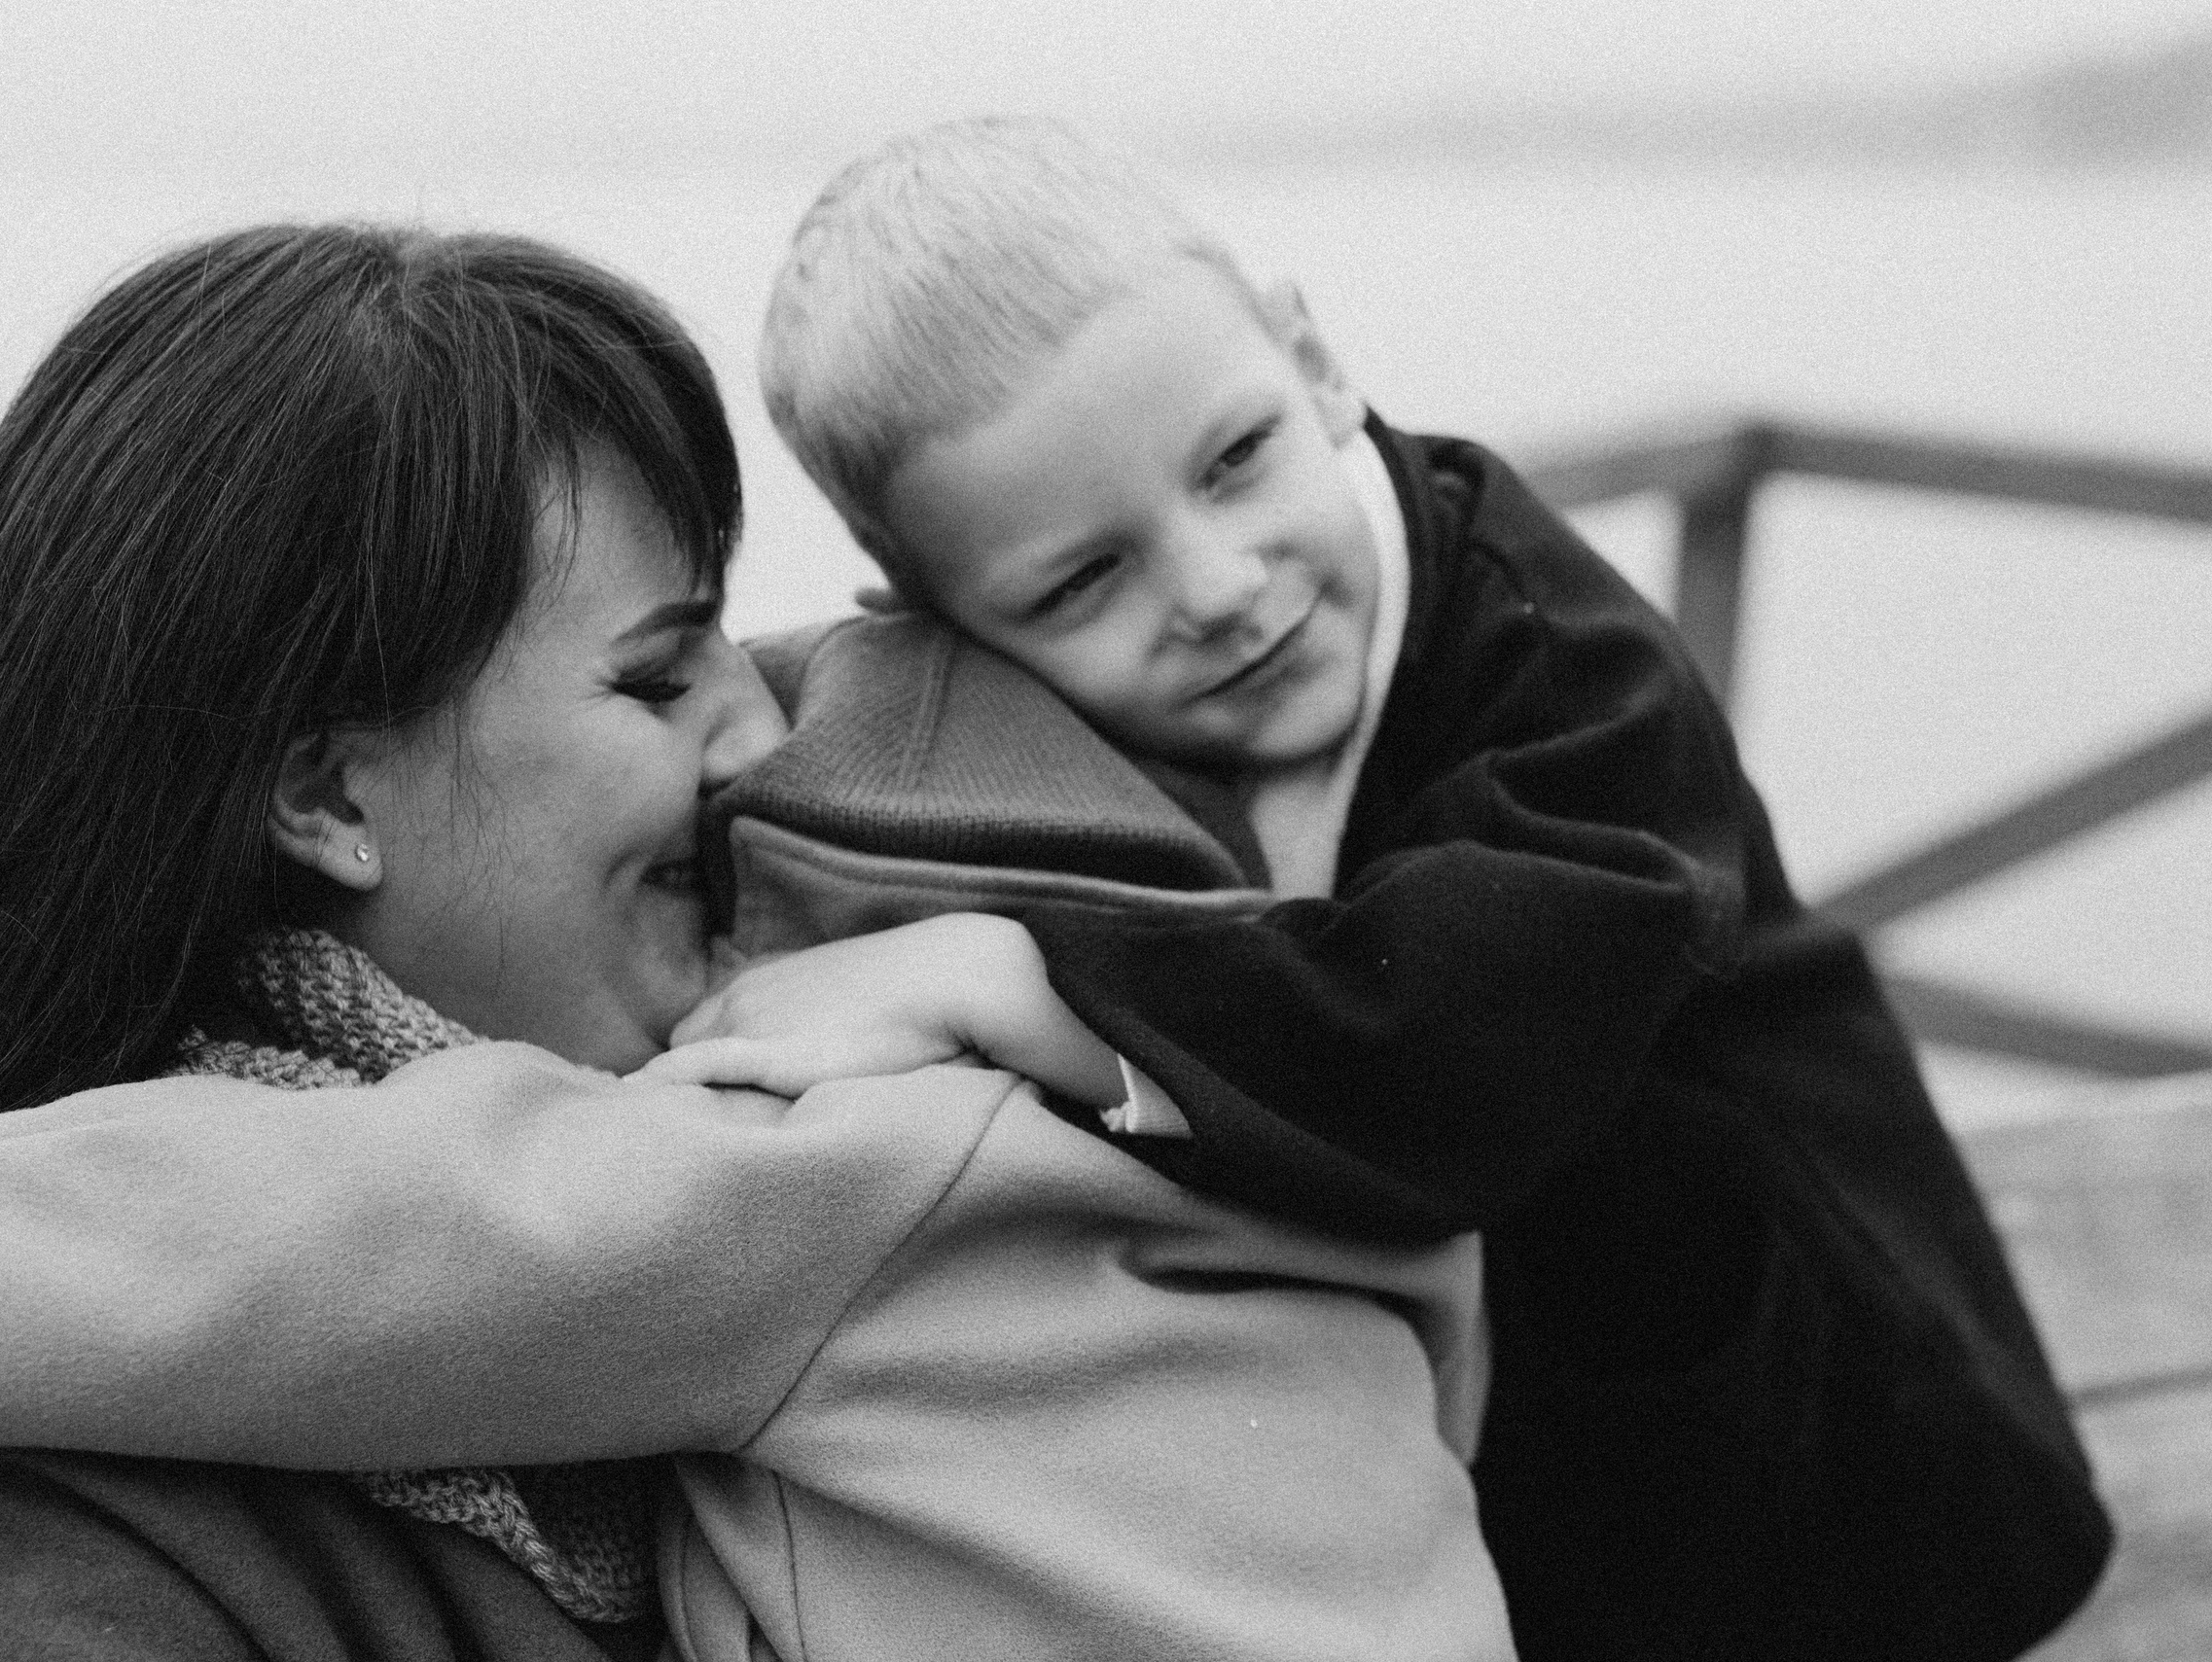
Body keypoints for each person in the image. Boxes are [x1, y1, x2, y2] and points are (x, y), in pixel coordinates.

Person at [0, 222, 1511, 1662]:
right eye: (658, 675)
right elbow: (403, 1225)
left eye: (740, 642)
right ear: (326, 798)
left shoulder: (808, 1129)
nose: (755, 730)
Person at [688, 117, 2111, 1659]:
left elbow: (1460, 1036)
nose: (1221, 585)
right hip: (1537, 1457)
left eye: (1236, 459)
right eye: (1082, 581)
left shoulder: (1568, 663)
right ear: (937, 618)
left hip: (1849, 1439)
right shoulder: (1054, 713)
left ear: (1311, 358)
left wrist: (1017, 987)